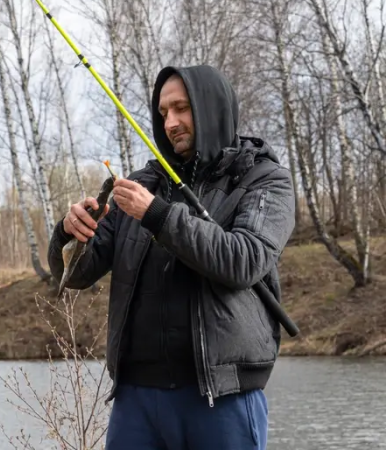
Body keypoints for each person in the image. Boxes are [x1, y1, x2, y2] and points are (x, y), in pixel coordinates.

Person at [47, 65, 296, 450]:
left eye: (181, 108)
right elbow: (78, 273)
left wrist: (157, 214)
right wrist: (68, 231)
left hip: (222, 397)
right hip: (136, 401)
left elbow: (244, 260)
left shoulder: (265, 180)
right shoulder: (140, 186)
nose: (170, 123)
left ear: (211, 108)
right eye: (163, 113)